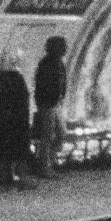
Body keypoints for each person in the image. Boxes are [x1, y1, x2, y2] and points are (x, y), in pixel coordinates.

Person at [0, 51, 35, 190]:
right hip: (13, 126)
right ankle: (20, 176)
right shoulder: (17, 80)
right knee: (19, 146)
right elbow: (23, 104)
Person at [33, 35, 69, 177]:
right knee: (47, 135)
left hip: (56, 103)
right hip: (47, 103)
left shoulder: (59, 63)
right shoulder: (46, 64)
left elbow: (62, 81)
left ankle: (49, 160)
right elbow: (43, 85)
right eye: (62, 46)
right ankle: (44, 166)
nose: (65, 49)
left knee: (61, 132)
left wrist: (61, 96)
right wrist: (50, 99)